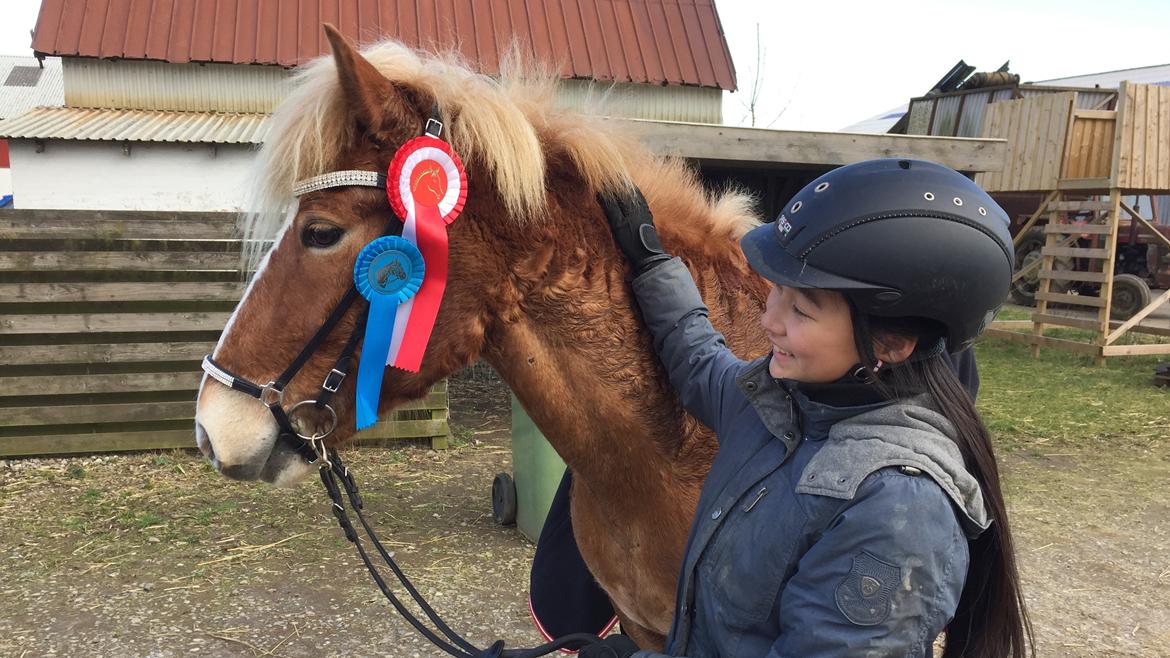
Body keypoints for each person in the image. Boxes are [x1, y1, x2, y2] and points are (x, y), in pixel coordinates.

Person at [579, 159, 1033, 658]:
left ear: (892, 341)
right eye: (775, 289)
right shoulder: (782, 405)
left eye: (802, 308)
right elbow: (698, 359)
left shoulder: (897, 510)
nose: (770, 318)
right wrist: (651, 261)